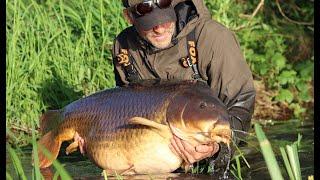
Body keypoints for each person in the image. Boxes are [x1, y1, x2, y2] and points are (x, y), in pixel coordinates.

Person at [112, 0, 256, 169]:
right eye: (149, 24)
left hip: (216, 151)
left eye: (164, 19)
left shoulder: (212, 37)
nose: (159, 29)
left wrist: (216, 149)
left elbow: (242, 103)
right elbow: (123, 111)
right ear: (129, 17)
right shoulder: (124, 47)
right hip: (155, 156)